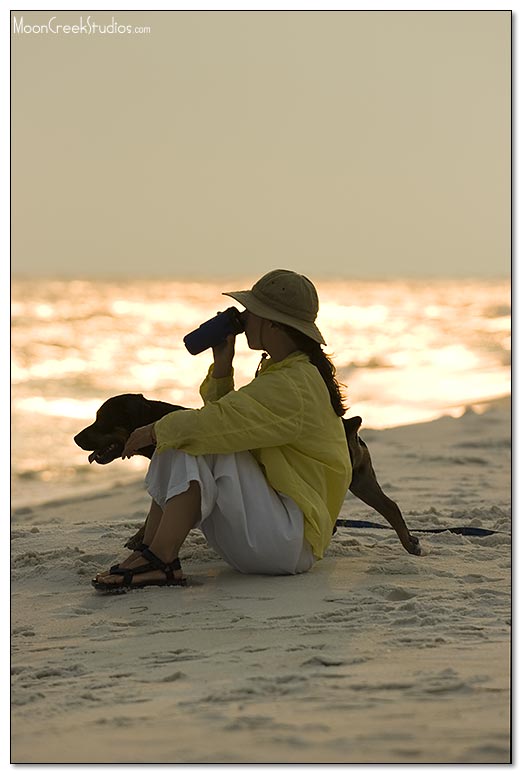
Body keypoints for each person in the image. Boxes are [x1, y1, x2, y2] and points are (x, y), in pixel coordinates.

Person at [92, 269, 352, 591]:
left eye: (250, 312)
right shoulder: (288, 374)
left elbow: (219, 425)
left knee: (188, 437)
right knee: (186, 436)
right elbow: (231, 423)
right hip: (274, 535)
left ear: (271, 322)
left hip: (288, 541)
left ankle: (160, 559)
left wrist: (152, 431)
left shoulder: (294, 384)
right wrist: (223, 366)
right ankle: (152, 552)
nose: (244, 320)